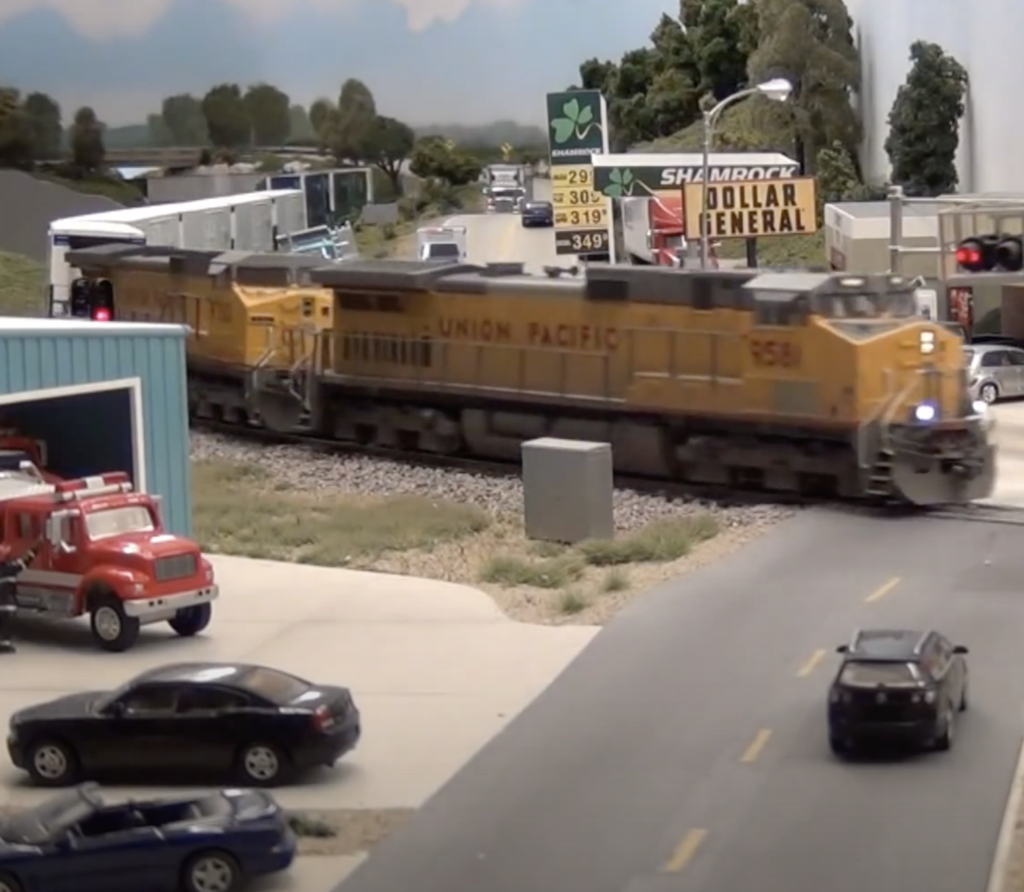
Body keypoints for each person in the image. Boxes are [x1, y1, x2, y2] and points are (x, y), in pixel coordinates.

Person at [0, 539, 41, 653]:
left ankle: (4, 643)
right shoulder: (10, 568)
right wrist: (36, 549)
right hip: (7, 606)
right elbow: (25, 562)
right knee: (6, 627)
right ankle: (5, 645)